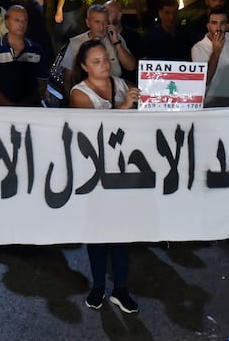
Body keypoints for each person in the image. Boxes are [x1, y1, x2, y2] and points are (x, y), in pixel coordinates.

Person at [69, 39, 140, 313]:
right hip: (93, 171)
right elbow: (90, 129)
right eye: (96, 61)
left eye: (106, 60)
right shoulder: (79, 92)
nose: (103, 66)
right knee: (97, 232)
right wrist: (123, 107)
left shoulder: (121, 85)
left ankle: (121, 289)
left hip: (123, 168)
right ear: (85, 66)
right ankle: (98, 285)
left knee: (122, 232)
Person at [60, 4, 136, 99]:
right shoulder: (75, 43)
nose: (101, 26)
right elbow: (68, 78)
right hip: (85, 95)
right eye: (97, 22)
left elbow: (131, 66)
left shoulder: (116, 38)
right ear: (88, 23)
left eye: (105, 22)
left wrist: (116, 43)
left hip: (115, 93)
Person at [0, 5, 48, 106]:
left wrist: (24, 105)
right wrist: (9, 106)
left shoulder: (36, 50)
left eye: (24, 20)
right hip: (1, 110)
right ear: (7, 22)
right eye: (17, 20)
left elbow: (42, 83)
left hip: (30, 109)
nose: (21, 24)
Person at [191, 8, 229, 107]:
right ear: (208, 26)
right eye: (214, 23)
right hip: (212, 100)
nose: (218, 27)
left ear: (227, 26)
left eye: (222, 23)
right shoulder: (198, 48)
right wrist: (216, 52)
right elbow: (205, 79)